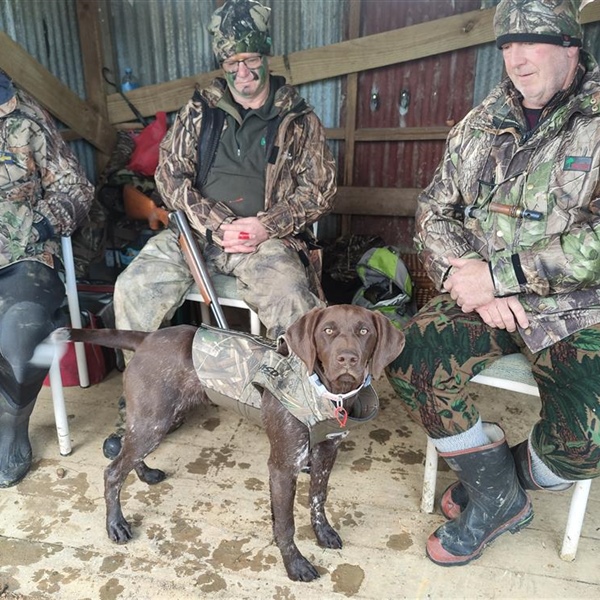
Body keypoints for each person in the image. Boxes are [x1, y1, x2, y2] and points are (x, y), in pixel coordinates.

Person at [386, 0, 600, 566]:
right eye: (506, 45)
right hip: (482, 296)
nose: (515, 58)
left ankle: (502, 485)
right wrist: (468, 277)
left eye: (530, 42)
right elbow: (435, 212)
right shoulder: (481, 123)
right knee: (411, 362)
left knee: (584, 446)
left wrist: (503, 278)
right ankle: (496, 497)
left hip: (581, 312)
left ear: (571, 46)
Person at [106, 0, 336, 457]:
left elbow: (321, 190)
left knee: (294, 301)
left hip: (263, 243)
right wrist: (216, 223)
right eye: (233, 62)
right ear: (223, 63)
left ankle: (301, 416)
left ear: (266, 57)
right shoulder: (201, 110)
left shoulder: (298, 117)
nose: (243, 71)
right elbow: (169, 174)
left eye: (251, 60)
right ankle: (143, 407)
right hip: (196, 236)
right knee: (132, 287)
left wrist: (263, 226)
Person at [0, 71, 94, 487]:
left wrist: (37, 224)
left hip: (25, 260)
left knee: (26, 334)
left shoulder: (24, 119)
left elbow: (76, 185)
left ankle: (11, 427)